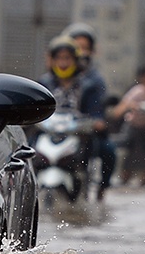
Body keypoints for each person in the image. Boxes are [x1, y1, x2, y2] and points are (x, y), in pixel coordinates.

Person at [41, 35, 114, 195]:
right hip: (48, 134)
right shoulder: (43, 84)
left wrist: (96, 123)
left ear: (76, 60)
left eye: (67, 58)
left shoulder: (89, 86)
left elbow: (97, 114)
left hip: (79, 136)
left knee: (107, 150)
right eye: (59, 58)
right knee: (26, 150)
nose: (63, 63)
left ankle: (99, 189)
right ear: (52, 61)